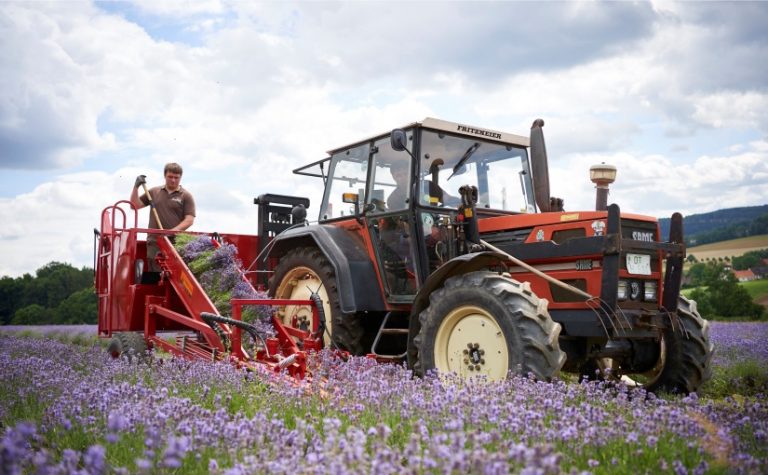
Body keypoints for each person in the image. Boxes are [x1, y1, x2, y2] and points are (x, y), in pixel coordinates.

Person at [130, 162, 196, 272]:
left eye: (176, 177)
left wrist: (172, 231)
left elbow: (189, 220)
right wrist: (136, 187)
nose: (173, 180)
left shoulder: (186, 196)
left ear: (180, 178)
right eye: (170, 177)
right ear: (165, 176)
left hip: (175, 243)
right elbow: (135, 205)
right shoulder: (154, 192)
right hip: (154, 242)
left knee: (174, 277)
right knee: (156, 277)